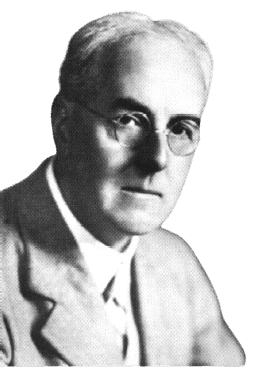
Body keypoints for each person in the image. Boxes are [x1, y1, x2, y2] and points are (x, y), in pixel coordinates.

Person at [0, 11, 246, 367]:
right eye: (129, 120)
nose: (158, 159)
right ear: (64, 125)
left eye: (180, 129)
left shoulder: (177, 265)